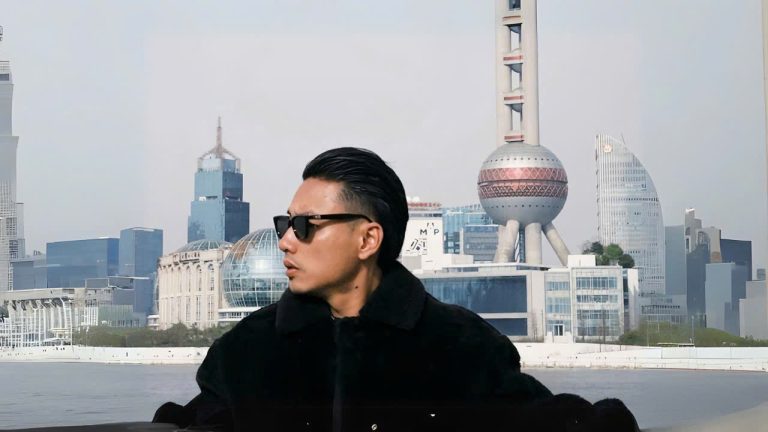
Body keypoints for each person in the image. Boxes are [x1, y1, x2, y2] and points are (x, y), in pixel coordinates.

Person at [153, 147, 638, 432]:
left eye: (304, 225)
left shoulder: (459, 349)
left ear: (368, 239)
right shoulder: (246, 352)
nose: (285, 240)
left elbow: (537, 420)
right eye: (285, 223)